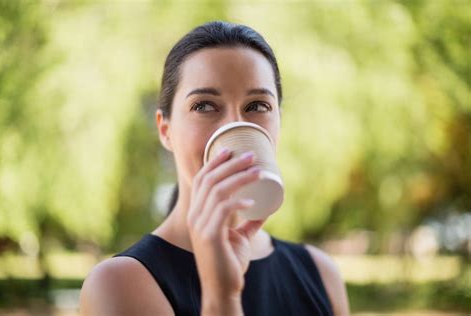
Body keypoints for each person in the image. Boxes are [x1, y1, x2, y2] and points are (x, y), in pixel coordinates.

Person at [80, 21, 349, 316]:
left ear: (279, 124)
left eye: (258, 106)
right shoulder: (118, 284)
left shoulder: (322, 274)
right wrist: (221, 297)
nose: (235, 125)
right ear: (165, 130)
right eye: (205, 106)